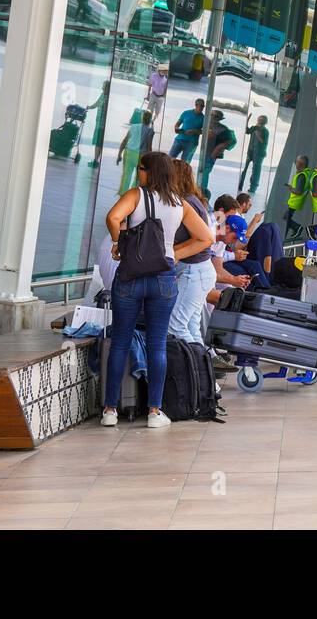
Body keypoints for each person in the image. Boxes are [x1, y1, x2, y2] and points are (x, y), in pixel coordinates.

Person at [101, 152, 212, 429]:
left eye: (140, 168)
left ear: (149, 172)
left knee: (120, 343)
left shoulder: (136, 195)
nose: (138, 173)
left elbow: (113, 217)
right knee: (157, 343)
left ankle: (110, 410)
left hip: (130, 276)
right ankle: (154, 411)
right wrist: (174, 254)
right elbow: (206, 238)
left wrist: (119, 243)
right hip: (163, 279)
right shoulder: (180, 203)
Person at [168, 159, 218, 350]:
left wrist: (175, 253)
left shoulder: (187, 203)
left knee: (175, 326)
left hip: (193, 273)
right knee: (190, 326)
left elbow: (203, 238)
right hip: (198, 272)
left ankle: (199, 368)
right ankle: (206, 369)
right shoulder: (192, 200)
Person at [117, 110, 154, 193]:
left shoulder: (133, 126)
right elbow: (149, 147)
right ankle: (132, 195)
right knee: (138, 177)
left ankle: (122, 194)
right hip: (140, 156)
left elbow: (125, 140)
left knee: (126, 175)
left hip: (129, 152)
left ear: (142, 118)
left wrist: (119, 154)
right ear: (150, 120)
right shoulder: (150, 131)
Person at [200, 110, 236, 188]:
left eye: (215, 116)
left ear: (219, 118)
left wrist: (218, 149)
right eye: (211, 115)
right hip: (203, 152)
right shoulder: (206, 124)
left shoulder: (223, 129)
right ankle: (199, 190)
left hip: (211, 154)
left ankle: (202, 191)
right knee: (201, 172)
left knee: (205, 173)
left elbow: (230, 141)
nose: (212, 117)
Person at [283, 155, 313, 237]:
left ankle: (298, 228)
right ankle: (294, 230)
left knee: (286, 217)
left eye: (297, 162)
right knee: (287, 217)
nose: (296, 164)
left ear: (301, 164)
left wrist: (290, 188)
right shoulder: (306, 173)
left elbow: (299, 191)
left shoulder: (301, 176)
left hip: (294, 202)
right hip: (297, 201)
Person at [242, 115, 269, 195]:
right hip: (251, 151)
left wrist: (257, 134)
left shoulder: (265, 131)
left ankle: (253, 188)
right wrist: (247, 121)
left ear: (265, 122)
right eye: (259, 119)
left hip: (259, 153)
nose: (259, 120)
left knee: (256, 171)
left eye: (262, 120)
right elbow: (247, 131)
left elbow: (264, 142)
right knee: (245, 168)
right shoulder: (254, 127)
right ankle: (240, 185)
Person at [86, 80, 110, 167]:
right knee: (98, 143)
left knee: (98, 143)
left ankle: (95, 160)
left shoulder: (107, 97)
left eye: (104, 86)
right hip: (99, 123)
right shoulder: (103, 95)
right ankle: (96, 160)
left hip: (102, 125)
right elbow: (97, 103)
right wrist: (90, 107)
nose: (102, 88)